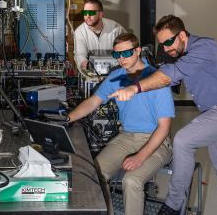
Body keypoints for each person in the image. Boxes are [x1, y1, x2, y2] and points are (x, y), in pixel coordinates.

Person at [109, 15, 217, 215]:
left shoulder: (205, 47)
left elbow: (170, 75)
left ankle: (173, 206)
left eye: (169, 42)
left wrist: (135, 88)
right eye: (162, 44)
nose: (166, 48)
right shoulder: (182, 56)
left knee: (183, 140)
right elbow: (168, 76)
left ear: (182, 35)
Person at [67, 33, 175, 215]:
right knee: (94, 175)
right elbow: (93, 102)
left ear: (138, 51)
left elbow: (164, 128)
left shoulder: (157, 80)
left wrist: (139, 157)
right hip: (127, 136)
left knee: (131, 181)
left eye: (126, 53)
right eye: (117, 55)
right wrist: (67, 119)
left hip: (157, 140)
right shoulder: (116, 77)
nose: (122, 59)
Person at [74, 0, 126, 70]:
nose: (88, 16)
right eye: (85, 13)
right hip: (92, 73)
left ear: (100, 14)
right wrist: (85, 65)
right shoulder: (80, 32)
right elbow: (80, 55)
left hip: (115, 71)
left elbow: (126, 51)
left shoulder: (116, 29)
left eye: (91, 13)